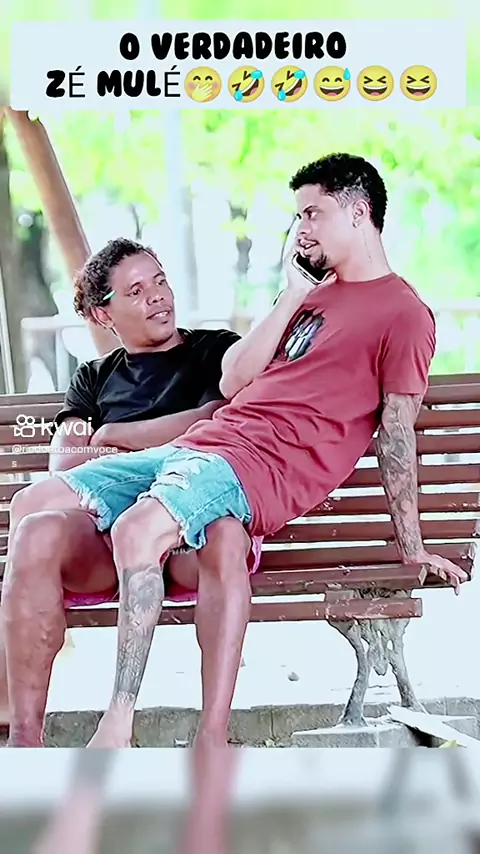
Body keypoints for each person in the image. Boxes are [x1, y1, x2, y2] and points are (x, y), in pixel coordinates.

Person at [3, 153, 468, 750]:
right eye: (298, 216)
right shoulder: (312, 297)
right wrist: (291, 295)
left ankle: (117, 724)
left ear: (359, 212)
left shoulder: (402, 313)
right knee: (32, 502)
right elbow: (232, 382)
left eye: (313, 213)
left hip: (255, 468)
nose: (301, 229)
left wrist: (413, 544)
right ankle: (21, 727)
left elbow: (397, 432)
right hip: (205, 446)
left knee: (137, 530)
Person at [0, 237, 262, 745]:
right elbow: (66, 465)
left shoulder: (215, 352)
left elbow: (216, 423)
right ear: (104, 314)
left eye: (160, 281)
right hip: (108, 537)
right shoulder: (94, 378)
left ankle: (212, 736)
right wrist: (156, 439)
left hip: (193, 533)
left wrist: (116, 435)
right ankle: (23, 736)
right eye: (136, 291)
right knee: (34, 526)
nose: (157, 296)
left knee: (227, 532)